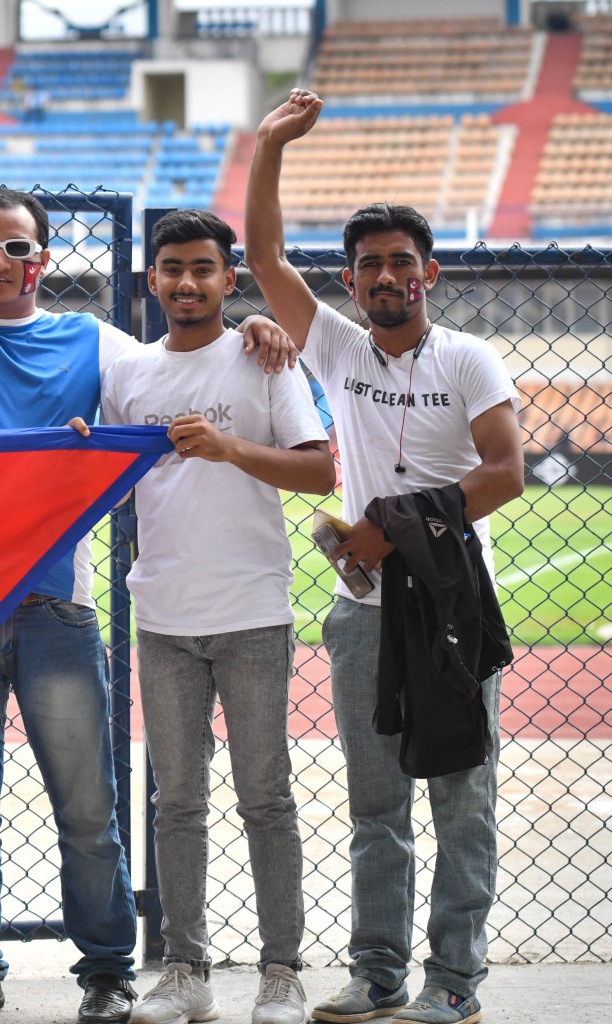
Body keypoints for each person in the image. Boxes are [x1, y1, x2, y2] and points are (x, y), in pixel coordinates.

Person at [0, 7, 298, 1023]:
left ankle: (107, 969)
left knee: (88, 812)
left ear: (40, 256)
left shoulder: (96, 343)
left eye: (10, 244)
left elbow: (176, 368)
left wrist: (258, 328)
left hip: (56, 608)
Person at [244, 89, 524, 1024]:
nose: (385, 277)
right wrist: (271, 147)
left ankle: (456, 978)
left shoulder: (470, 359)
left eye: (401, 262)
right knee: (376, 809)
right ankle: (376, 972)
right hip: (362, 612)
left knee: (462, 803)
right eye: (368, 267)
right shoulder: (332, 347)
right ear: (353, 283)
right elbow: (264, 258)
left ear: (429, 273)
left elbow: (509, 472)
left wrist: (393, 524)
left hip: (449, 606)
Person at [101, 209, 333, 1024]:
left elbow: (319, 474)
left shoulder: (265, 358)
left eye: (204, 268)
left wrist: (231, 448)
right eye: (172, 268)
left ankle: (281, 973)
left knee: (266, 797)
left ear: (229, 278)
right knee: (176, 804)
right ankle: (184, 971)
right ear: (154, 279)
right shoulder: (128, 372)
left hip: (252, 613)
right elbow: (109, 473)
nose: (187, 282)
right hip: (162, 614)